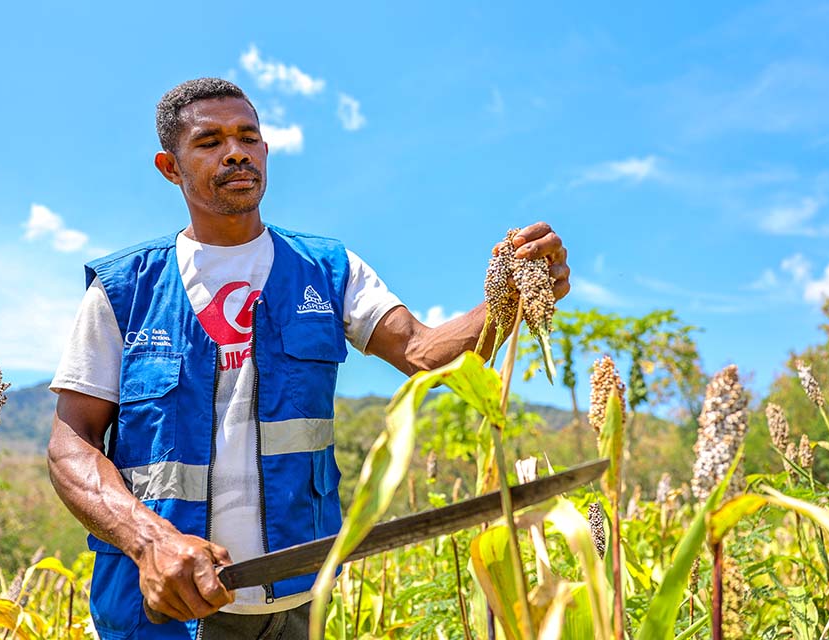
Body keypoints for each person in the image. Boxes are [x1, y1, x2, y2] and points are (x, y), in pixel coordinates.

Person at [47, 77, 571, 640]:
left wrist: (509, 299)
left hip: (296, 604)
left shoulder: (328, 268)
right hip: (158, 611)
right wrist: (150, 540)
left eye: (249, 136)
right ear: (170, 166)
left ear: (266, 151)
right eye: (209, 141)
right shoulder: (125, 288)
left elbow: (423, 353)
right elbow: (69, 444)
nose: (236, 151)